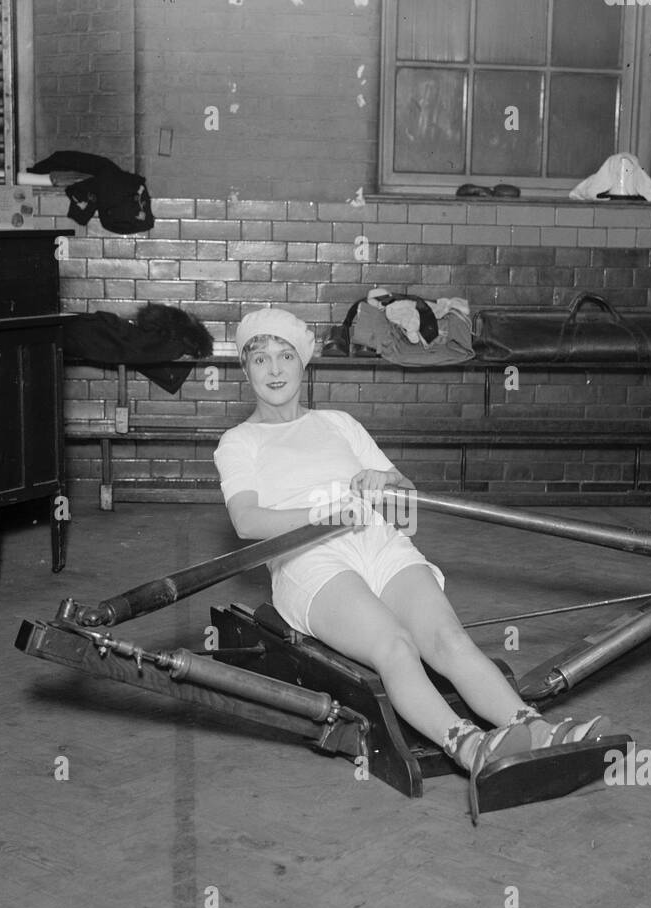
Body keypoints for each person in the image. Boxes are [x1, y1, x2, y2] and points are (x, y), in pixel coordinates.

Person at [213, 309, 608, 815]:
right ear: (245, 370)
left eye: (285, 355)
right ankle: (468, 746)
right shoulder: (238, 442)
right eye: (260, 358)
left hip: (374, 538)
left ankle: (535, 728)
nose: (274, 369)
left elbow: (401, 493)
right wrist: (322, 512)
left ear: (302, 364)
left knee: (448, 639)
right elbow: (247, 521)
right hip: (307, 556)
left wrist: (384, 484)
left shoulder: (339, 423)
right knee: (395, 646)